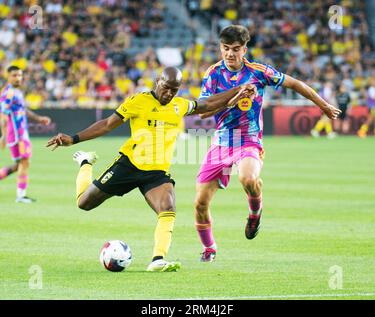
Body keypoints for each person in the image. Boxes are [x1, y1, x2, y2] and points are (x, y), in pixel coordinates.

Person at [46, 67, 256, 272]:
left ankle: (157, 259)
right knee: (84, 203)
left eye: (174, 90)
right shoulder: (138, 101)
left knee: (168, 209)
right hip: (128, 165)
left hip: (156, 173)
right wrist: (73, 139)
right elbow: (107, 124)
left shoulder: (179, 105)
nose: (169, 93)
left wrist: (239, 89)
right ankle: (85, 162)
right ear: (158, 82)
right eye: (166, 87)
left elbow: (207, 103)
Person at [194, 25, 341, 262]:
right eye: (225, 49)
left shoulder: (258, 71)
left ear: (245, 49)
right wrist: (235, 97)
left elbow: (294, 83)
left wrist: (322, 104)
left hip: (249, 139)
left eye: (235, 49)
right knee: (200, 203)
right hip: (222, 141)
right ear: (220, 48)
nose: (230, 54)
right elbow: (202, 112)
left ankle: (255, 213)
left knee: (248, 178)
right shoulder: (212, 74)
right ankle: (209, 248)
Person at [0, 65, 51, 203]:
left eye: (20, 75)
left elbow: (23, 109)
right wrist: (3, 136)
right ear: (8, 76)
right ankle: (21, 196)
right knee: (25, 162)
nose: (18, 78)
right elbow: (3, 115)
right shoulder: (8, 93)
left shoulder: (16, 92)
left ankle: (20, 194)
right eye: (14, 75)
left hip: (19, 133)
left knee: (18, 165)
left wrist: (38, 118)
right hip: (18, 135)